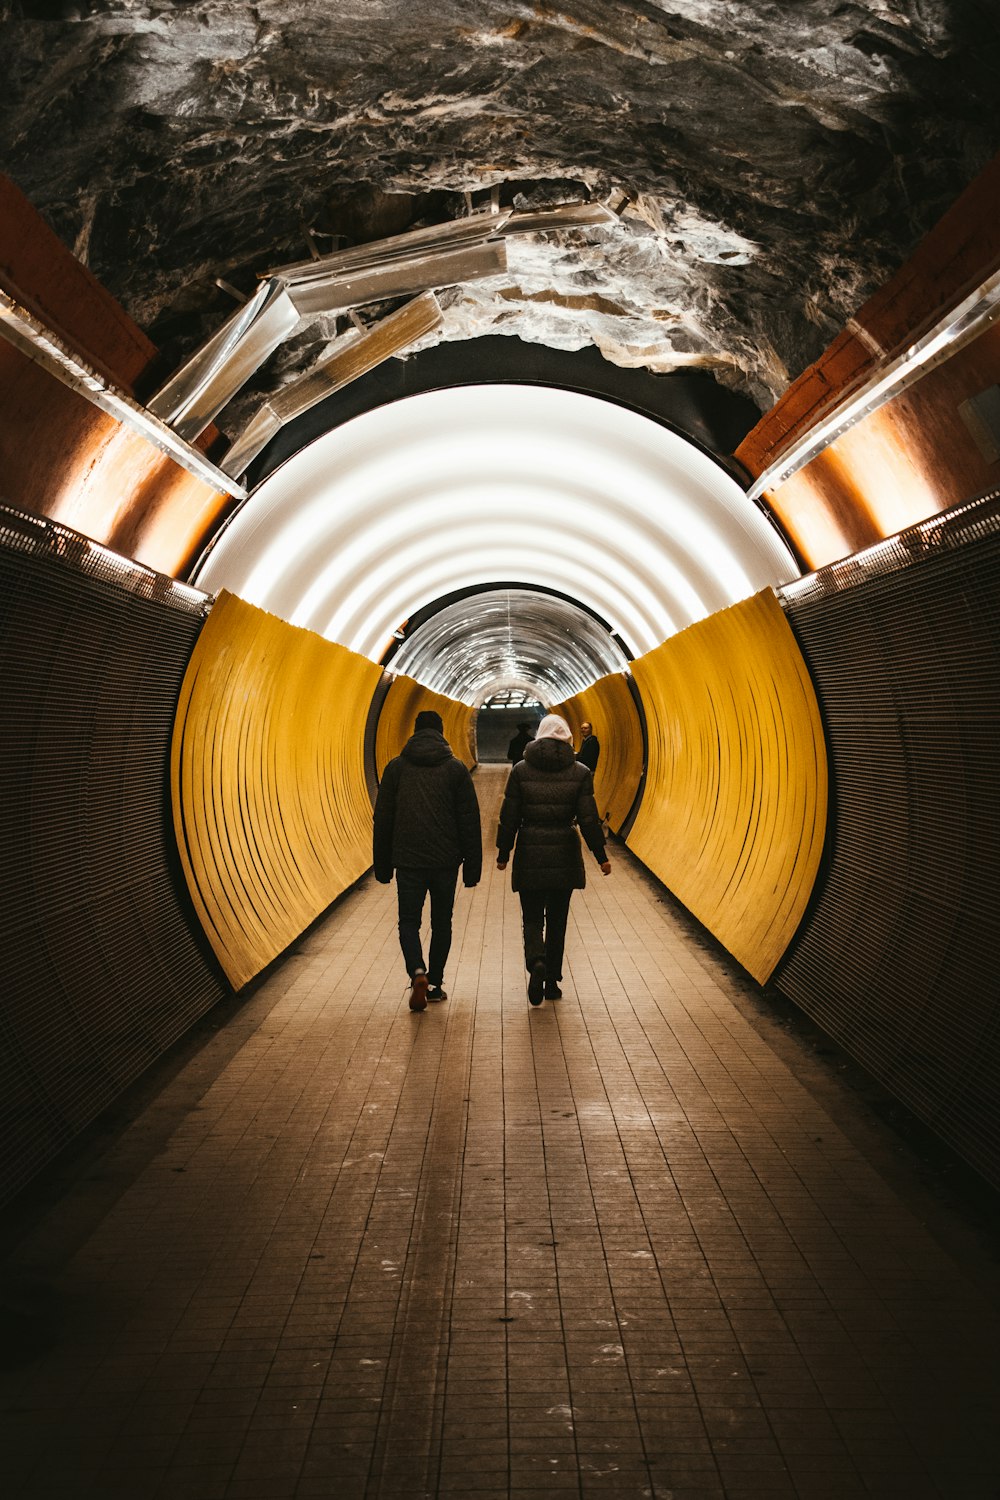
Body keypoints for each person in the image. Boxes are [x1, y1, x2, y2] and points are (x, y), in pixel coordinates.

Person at [496, 713, 611, 1005]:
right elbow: (588, 819)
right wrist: (601, 856)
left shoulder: (521, 770)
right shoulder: (581, 771)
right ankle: (551, 983)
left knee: (532, 918)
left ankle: (536, 961)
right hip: (565, 851)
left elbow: (509, 816)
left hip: (530, 849)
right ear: (569, 740)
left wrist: (503, 852)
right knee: (558, 920)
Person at [373, 709, 482, 1010]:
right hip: (446, 862)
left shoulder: (395, 769)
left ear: (414, 732)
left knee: (408, 921)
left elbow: (383, 819)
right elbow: (469, 822)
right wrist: (472, 868)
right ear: (442, 732)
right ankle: (434, 984)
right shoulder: (456, 769)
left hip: (407, 861)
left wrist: (382, 865)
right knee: (441, 922)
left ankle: (417, 970)